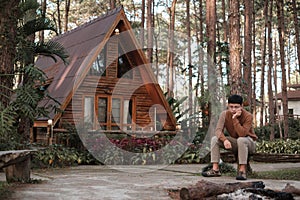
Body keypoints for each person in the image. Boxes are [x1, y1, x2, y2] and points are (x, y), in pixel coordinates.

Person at [202, 94, 258, 180]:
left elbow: (242, 134)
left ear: (242, 106)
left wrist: (235, 118)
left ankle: (242, 171)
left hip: (249, 143)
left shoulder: (248, 116)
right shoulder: (224, 114)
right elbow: (218, 131)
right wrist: (224, 140)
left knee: (241, 140)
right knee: (215, 139)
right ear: (228, 106)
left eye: (236, 107)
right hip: (236, 142)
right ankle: (215, 169)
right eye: (231, 107)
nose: (233, 109)